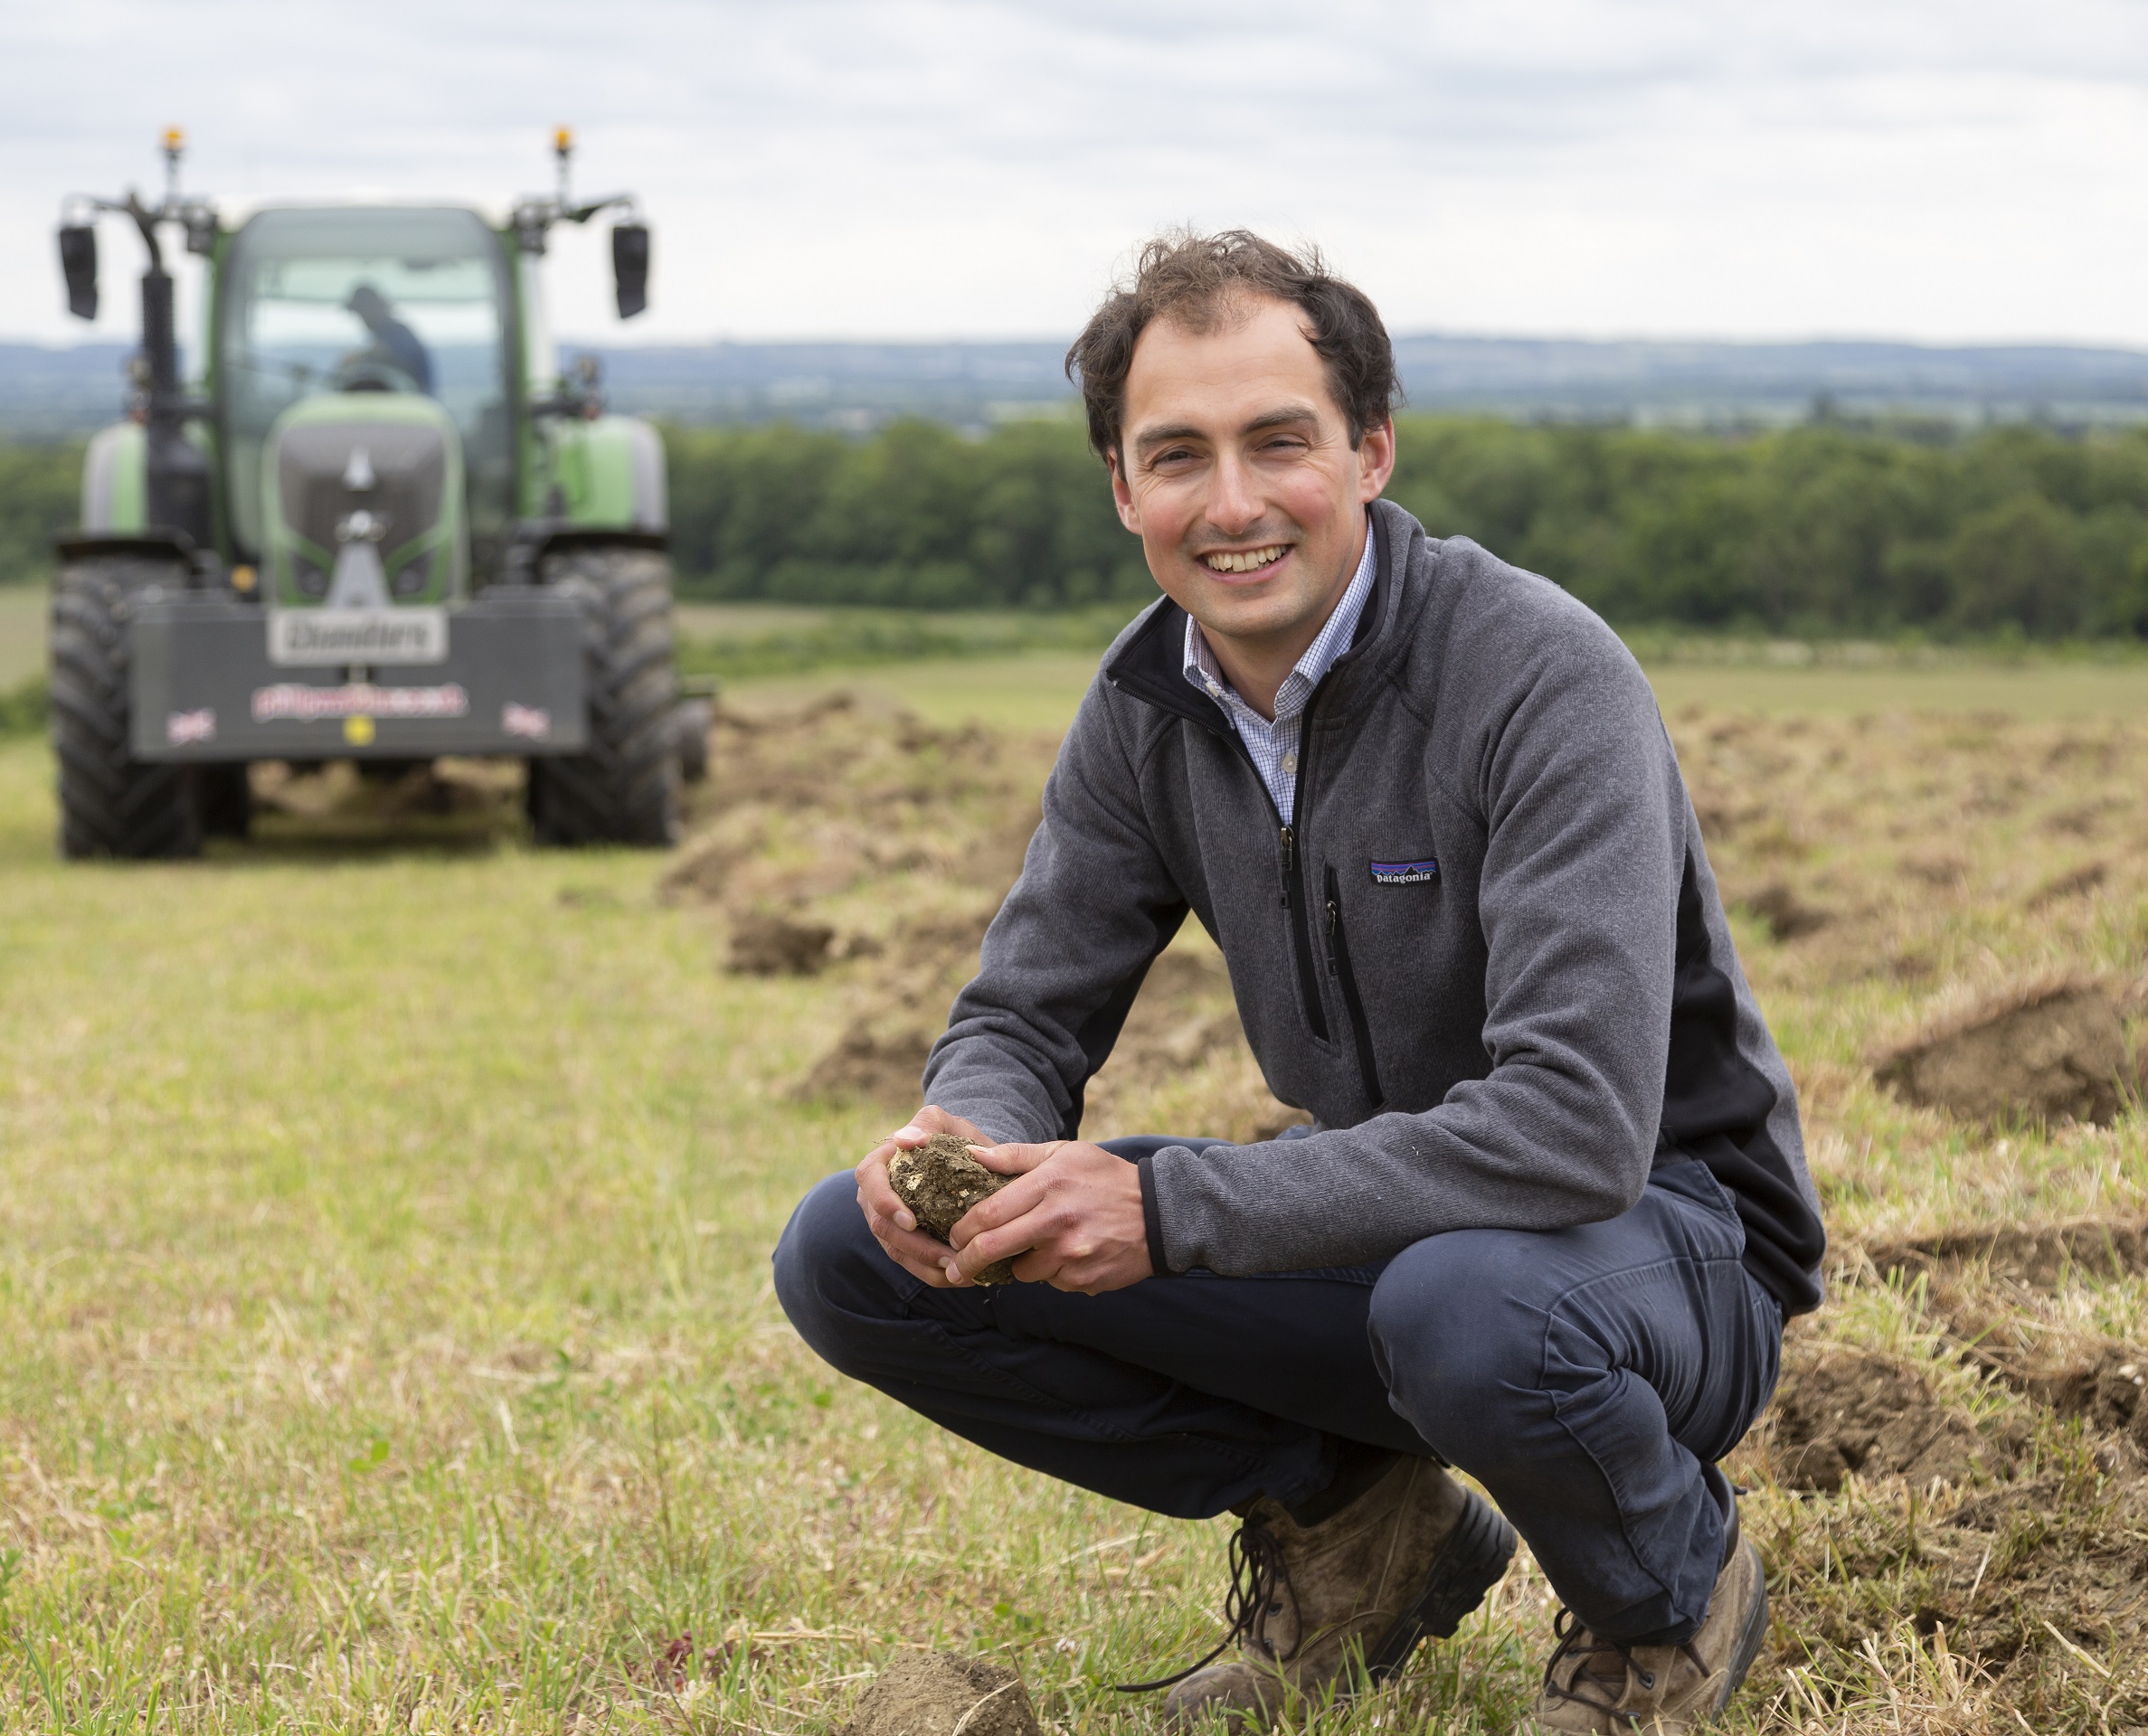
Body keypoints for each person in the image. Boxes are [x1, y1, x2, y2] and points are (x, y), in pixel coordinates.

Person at [771, 231, 1824, 1731]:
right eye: (1178, 455)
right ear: (1125, 491)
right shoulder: (1149, 700)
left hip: (1660, 1241)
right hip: (1394, 1235)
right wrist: (961, 1140)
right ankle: (1360, 1532)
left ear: (1372, 451)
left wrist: (1166, 1211)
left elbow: (1571, 1132)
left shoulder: (1539, 678)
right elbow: (1025, 1011)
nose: (1235, 502)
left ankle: (1667, 1596)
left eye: (1281, 443)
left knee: (1474, 1312)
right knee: (849, 1254)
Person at [342, 282, 434, 394]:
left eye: (362, 313)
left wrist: (361, 357)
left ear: (373, 308)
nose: (362, 319)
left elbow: (386, 353)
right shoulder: (385, 334)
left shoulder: (398, 333)